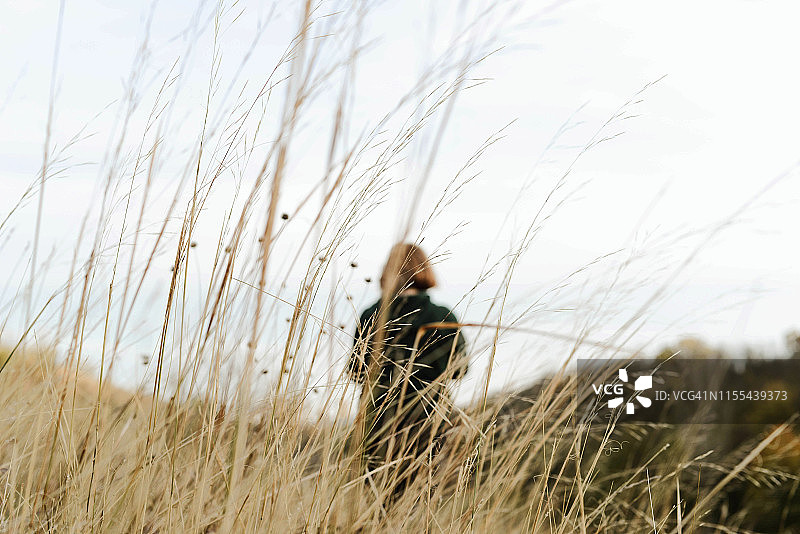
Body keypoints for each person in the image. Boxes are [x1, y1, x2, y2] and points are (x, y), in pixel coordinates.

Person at [348, 242, 468, 500]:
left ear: (388, 271)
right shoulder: (442, 315)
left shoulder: (372, 314)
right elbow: (460, 369)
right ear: (424, 270)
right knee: (419, 501)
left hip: (377, 421)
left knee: (378, 501)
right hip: (429, 421)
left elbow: (356, 371)